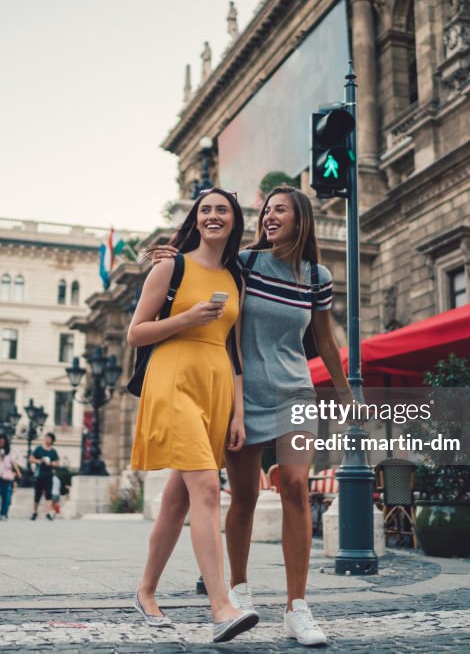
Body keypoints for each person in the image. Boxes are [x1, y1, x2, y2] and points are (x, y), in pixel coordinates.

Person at [152, 186, 354, 645]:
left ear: (300, 217)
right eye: (265, 210)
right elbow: (204, 275)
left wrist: (344, 394)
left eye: (278, 209)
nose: (268, 216)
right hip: (242, 395)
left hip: (296, 392)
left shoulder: (317, 276)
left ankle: (296, 608)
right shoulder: (244, 264)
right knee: (242, 496)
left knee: (297, 487)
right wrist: (173, 255)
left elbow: (323, 341)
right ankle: (240, 590)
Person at [130, 187, 258, 644]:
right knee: (205, 487)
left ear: (234, 220)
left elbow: (236, 350)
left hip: (216, 389)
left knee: (178, 498)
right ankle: (221, 606)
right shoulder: (172, 265)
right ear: (196, 219)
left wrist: (239, 414)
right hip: (172, 381)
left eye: (222, 210)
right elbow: (136, 334)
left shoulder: (236, 276)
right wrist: (189, 318)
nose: (213, 216)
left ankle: (145, 592)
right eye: (205, 210)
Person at [0, 434, 23, 520]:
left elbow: (13, 462)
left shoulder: (10, 451)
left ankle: (4, 513)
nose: (1, 443)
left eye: (3, 442)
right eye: (0, 442)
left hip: (6, 475)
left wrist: (18, 472)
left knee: (5, 494)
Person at [29, 433, 60, 520]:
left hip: (49, 476)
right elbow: (31, 459)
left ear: (52, 440)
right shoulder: (39, 449)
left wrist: (52, 463)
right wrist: (39, 461)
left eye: (49, 438)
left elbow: (57, 463)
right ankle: (34, 512)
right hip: (39, 475)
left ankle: (48, 513)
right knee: (37, 495)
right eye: (46, 437)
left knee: (48, 495)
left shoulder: (53, 452)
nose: (47, 439)